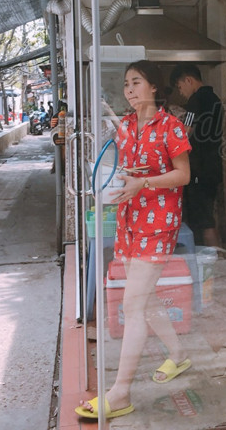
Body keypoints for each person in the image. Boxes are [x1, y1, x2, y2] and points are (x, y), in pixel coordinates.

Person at [76, 60, 191, 420]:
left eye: (136, 82)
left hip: (159, 222)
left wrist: (145, 182)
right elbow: (125, 166)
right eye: (126, 84)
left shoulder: (171, 126)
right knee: (146, 296)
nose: (129, 89)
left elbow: (183, 175)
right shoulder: (125, 125)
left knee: (134, 304)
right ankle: (178, 355)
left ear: (154, 86)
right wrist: (116, 180)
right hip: (129, 219)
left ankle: (120, 392)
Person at [170, 63, 224, 247]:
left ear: (188, 80)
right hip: (213, 165)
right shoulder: (215, 99)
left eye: (180, 87)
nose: (181, 92)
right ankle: (215, 255)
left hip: (200, 168)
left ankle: (212, 257)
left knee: (203, 220)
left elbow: (185, 132)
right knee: (208, 216)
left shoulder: (195, 100)